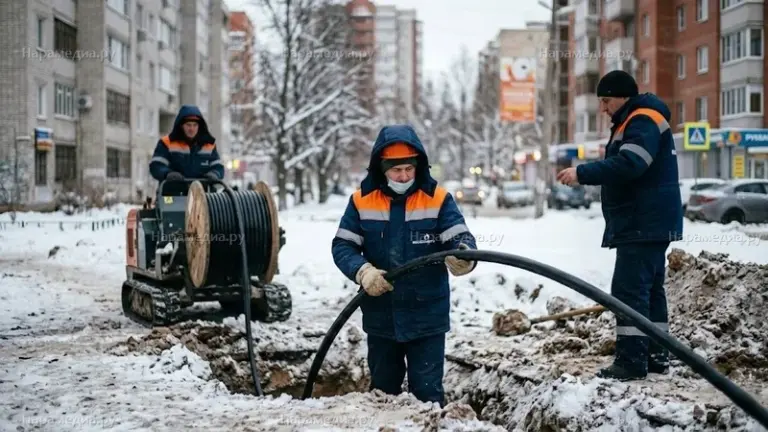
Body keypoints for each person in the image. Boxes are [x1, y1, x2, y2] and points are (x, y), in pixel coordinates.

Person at [331, 124, 478, 406]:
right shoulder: (361, 201)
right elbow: (343, 245)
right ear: (381, 168)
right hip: (381, 317)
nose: (404, 176)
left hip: (427, 317)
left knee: (427, 397)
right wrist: (363, 272)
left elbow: (460, 236)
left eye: (409, 169)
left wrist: (462, 255)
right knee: (382, 397)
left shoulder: (437, 198)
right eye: (397, 170)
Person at [556, 70, 683, 381]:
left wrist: (582, 173)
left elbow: (631, 164)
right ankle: (655, 355)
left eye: (606, 100)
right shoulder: (640, 119)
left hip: (642, 221)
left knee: (628, 291)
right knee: (650, 290)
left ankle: (631, 361)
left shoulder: (641, 120)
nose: (603, 108)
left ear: (622, 97)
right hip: (649, 220)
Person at [149, 104, 224, 183]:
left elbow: (218, 167)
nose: (191, 129)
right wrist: (167, 174)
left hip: (202, 192)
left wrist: (215, 174)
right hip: (173, 192)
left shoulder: (209, 145)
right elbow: (156, 166)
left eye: (195, 125)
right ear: (181, 126)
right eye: (188, 125)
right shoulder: (166, 143)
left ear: (199, 126)